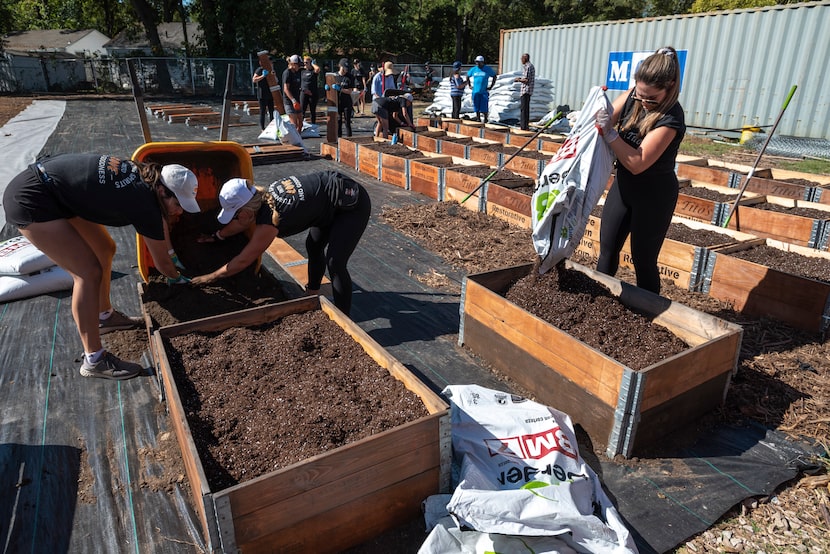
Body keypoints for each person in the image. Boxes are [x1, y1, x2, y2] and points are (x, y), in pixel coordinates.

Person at [2, 156, 198, 380]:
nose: (180, 212)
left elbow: (159, 228)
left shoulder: (146, 178)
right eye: (179, 205)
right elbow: (162, 264)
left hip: (58, 192)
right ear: (163, 192)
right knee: (87, 272)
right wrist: (178, 278)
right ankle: (94, 360)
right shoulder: (143, 202)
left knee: (104, 248)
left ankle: (104, 316)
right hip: (32, 198)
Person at [191, 171, 371, 316]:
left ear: (245, 211)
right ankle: (311, 294)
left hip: (351, 204)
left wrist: (210, 277)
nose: (235, 219)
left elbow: (243, 260)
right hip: (328, 203)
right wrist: (217, 236)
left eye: (235, 214)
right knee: (313, 246)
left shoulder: (270, 220)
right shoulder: (261, 197)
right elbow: (240, 222)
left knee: (335, 262)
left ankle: (343, 320)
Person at [594, 46, 685, 295]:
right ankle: (598, 302)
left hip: (655, 195)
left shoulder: (671, 118)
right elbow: (607, 115)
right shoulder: (636, 95)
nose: (644, 102)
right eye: (639, 95)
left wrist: (611, 134)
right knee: (607, 250)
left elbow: (637, 162)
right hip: (624, 188)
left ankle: (648, 317)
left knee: (643, 260)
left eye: (651, 99)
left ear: (671, 86)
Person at [328, 58, 356, 137]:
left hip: (347, 101)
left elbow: (350, 91)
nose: (345, 70)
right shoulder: (335, 76)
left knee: (347, 122)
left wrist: (340, 89)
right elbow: (329, 85)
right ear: (340, 66)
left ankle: (349, 139)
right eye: (344, 68)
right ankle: (339, 138)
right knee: (338, 121)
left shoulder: (349, 77)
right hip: (338, 101)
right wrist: (328, 88)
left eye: (347, 68)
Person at [465, 55, 497, 123]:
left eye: (479, 62)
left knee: (484, 105)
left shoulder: (487, 69)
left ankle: (485, 118)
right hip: (475, 91)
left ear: (482, 62)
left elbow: (494, 76)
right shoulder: (474, 69)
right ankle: (478, 118)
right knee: (476, 105)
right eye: (476, 62)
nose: (477, 64)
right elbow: (467, 76)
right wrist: (470, 85)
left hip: (484, 91)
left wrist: (491, 86)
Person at [370, 61, 398, 136]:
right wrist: (380, 98)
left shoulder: (391, 77)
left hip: (386, 102)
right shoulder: (377, 77)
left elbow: (392, 90)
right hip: (378, 102)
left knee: (381, 123)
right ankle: (385, 141)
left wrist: (393, 96)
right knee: (386, 125)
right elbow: (373, 91)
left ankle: (376, 137)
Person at [282, 54, 304, 132]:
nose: (299, 67)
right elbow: (286, 89)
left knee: (300, 123)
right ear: (293, 64)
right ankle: (293, 141)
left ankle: (298, 138)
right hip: (289, 101)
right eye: (298, 65)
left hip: (297, 99)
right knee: (294, 124)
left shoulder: (298, 72)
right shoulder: (287, 73)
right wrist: (293, 100)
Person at [514, 52, 535, 130]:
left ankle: (523, 127)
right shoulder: (529, 66)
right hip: (527, 90)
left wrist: (518, 80)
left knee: (524, 109)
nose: (521, 60)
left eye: (522, 58)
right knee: (525, 109)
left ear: (525, 58)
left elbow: (526, 80)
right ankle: (525, 126)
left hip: (526, 90)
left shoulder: (528, 67)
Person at [252, 62, 276, 130]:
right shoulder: (260, 70)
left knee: (272, 111)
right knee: (263, 111)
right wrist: (263, 76)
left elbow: (276, 81)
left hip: (270, 93)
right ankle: (262, 128)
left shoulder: (272, 71)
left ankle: (272, 127)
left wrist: (274, 75)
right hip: (262, 94)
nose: (271, 65)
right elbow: (254, 79)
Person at [300, 56, 321, 124]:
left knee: (312, 110)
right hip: (304, 93)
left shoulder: (313, 71)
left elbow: (317, 69)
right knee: (302, 110)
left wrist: (313, 64)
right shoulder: (302, 71)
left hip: (312, 93)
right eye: (304, 62)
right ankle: (300, 125)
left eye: (306, 62)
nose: (305, 64)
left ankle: (313, 125)